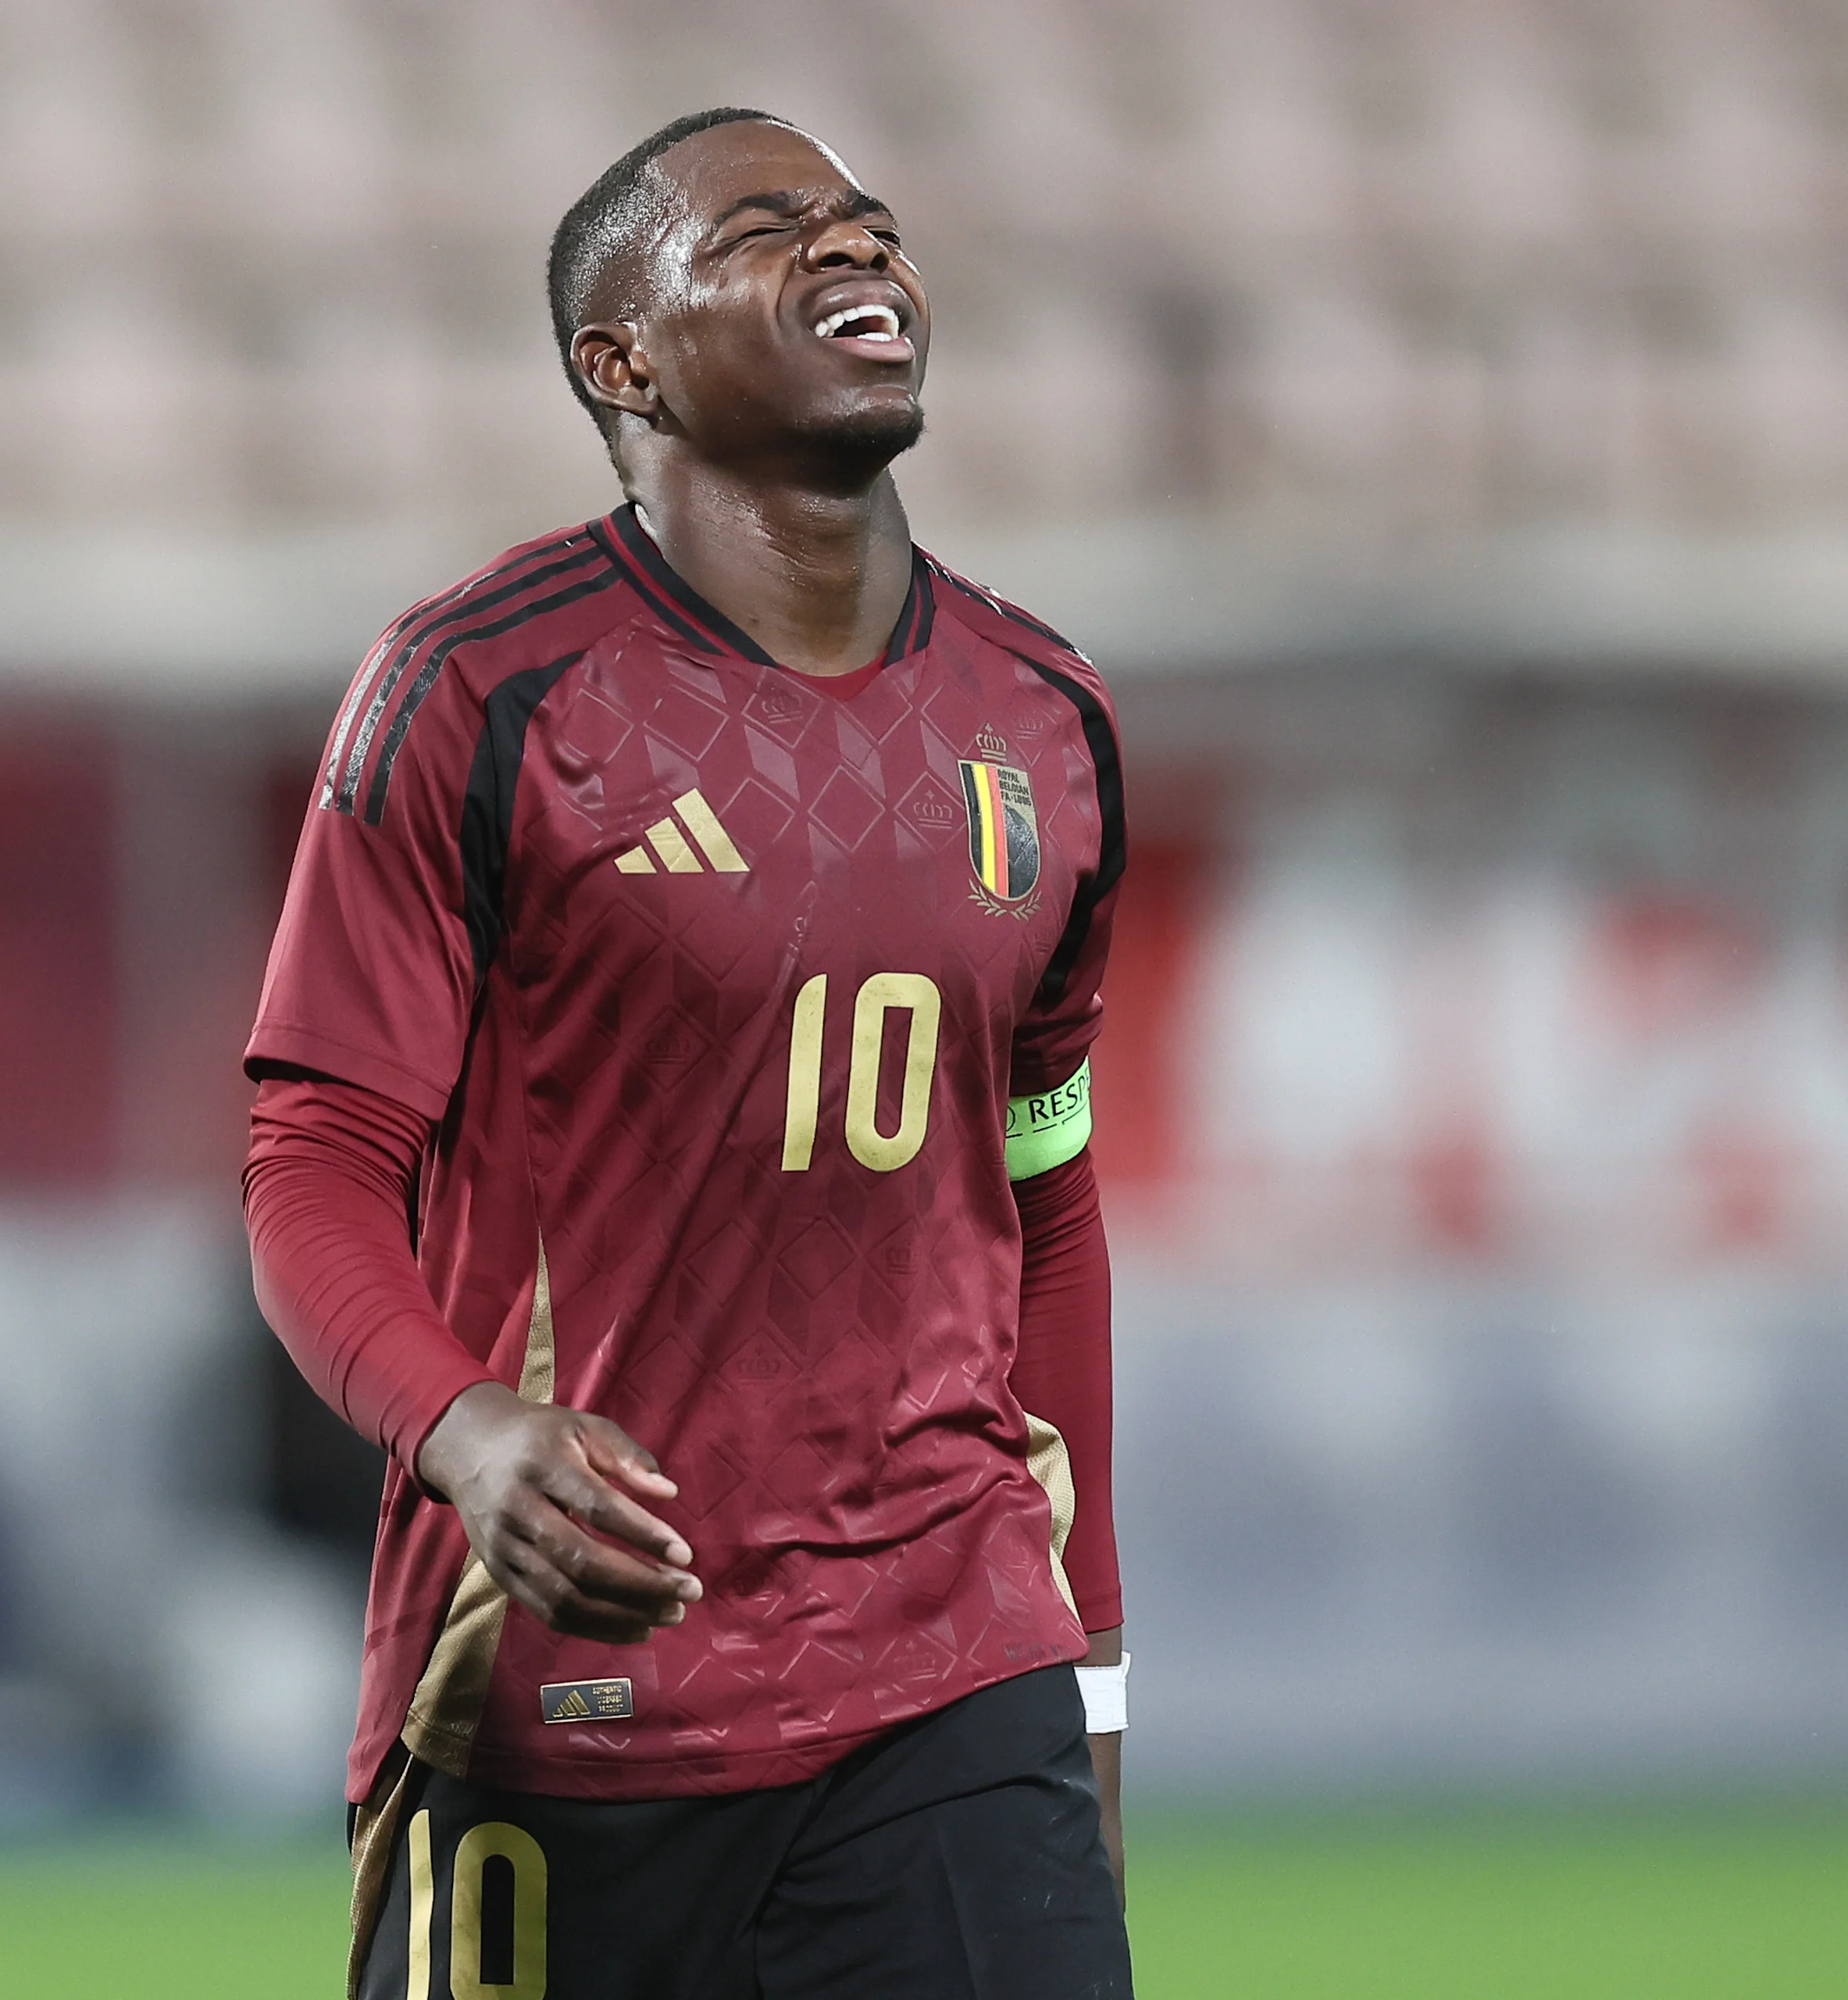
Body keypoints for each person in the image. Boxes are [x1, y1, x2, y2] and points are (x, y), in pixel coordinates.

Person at [241, 106, 1131, 1999]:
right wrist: (465, 1426)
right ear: (619, 360)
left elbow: (1044, 1198)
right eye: (765, 227)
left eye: (866, 220)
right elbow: (311, 1163)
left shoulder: (1048, 723)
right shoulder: (480, 689)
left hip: (954, 1680)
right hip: (565, 1695)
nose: (853, 243)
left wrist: (1092, 1658)